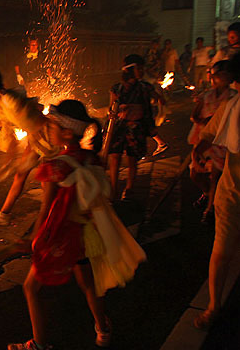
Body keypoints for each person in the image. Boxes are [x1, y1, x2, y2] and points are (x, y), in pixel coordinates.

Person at [8, 100, 145, 350]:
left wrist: (34, 240)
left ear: (67, 132)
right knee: (87, 282)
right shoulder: (89, 159)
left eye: (52, 126)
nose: (48, 129)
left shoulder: (56, 166)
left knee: (30, 288)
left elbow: (46, 210)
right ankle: (102, 328)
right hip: (84, 235)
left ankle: (38, 344)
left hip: (60, 236)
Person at [192, 48, 240, 330]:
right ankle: (214, 306)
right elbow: (208, 133)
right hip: (232, 191)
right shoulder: (233, 107)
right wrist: (199, 149)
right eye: (239, 82)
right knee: (221, 250)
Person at [0, 68, 59, 227]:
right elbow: (11, 137)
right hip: (36, 139)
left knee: (47, 180)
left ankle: (51, 220)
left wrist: (25, 158)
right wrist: (8, 161)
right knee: (20, 174)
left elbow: (38, 127)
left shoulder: (9, 100)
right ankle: (4, 215)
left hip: (50, 139)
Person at [107, 55, 163, 200]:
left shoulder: (145, 87)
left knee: (132, 158)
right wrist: (115, 111)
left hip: (136, 127)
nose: (142, 71)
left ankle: (129, 188)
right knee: (115, 157)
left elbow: (159, 99)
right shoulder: (117, 88)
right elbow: (111, 108)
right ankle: (113, 188)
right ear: (130, 69)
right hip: (120, 127)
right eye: (139, 68)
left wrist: (157, 101)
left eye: (142, 68)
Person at [187, 61, 235, 225]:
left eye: (224, 75)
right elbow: (195, 115)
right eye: (218, 75)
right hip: (205, 138)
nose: (221, 79)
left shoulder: (234, 97)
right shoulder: (206, 96)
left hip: (222, 141)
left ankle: (210, 210)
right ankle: (208, 194)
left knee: (215, 176)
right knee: (195, 173)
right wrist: (203, 121)